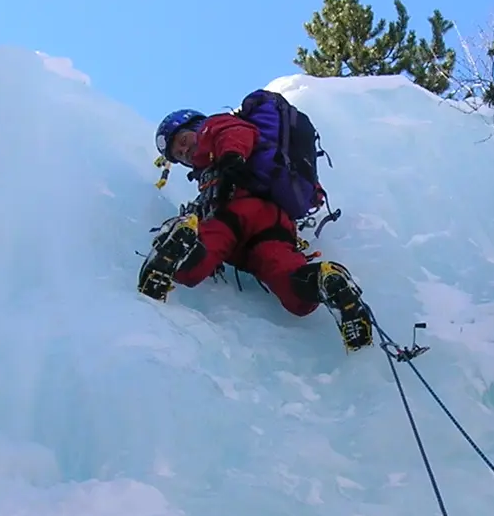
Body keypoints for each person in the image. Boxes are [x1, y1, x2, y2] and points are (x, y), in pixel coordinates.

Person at [139, 97, 375, 351]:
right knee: (294, 295)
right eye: (180, 154)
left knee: (200, 257)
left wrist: (232, 159)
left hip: (234, 211)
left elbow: (236, 133)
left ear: (196, 125)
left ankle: (182, 244)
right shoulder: (208, 164)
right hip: (274, 223)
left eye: (183, 141)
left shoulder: (213, 127)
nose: (185, 151)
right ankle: (324, 279)